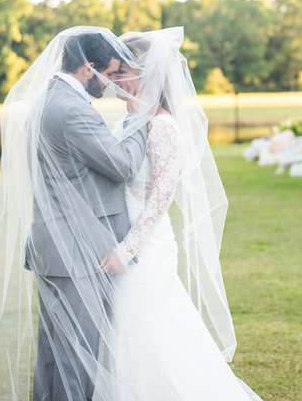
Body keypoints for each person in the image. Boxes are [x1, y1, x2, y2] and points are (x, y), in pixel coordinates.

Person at [97, 29, 261, 401]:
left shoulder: (164, 126)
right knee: (131, 333)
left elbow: (161, 197)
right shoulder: (125, 123)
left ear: (146, 75)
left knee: (142, 331)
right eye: (114, 73)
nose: (113, 81)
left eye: (121, 73)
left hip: (147, 248)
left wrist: (127, 250)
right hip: (117, 239)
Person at [0, 27, 150, 401]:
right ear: (88, 68)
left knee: (55, 357)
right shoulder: (72, 110)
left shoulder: (51, 99)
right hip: (74, 251)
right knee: (77, 360)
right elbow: (123, 166)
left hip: (56, 248)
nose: (113, 85)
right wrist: (142, 121)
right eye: (110, 75)